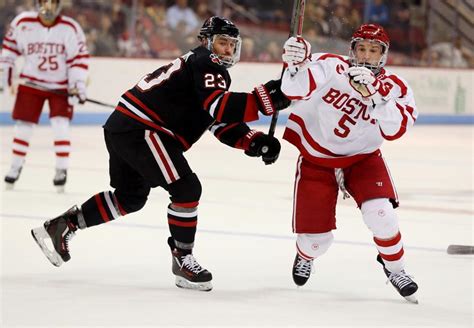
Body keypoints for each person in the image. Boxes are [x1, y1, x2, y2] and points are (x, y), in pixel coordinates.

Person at [31, 16, 290, 292]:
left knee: (130, 198)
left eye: (230, 44)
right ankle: (183, 259)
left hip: (124, 127)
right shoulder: (206, 62)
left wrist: (255, 140)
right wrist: (265, 99)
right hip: (143, 130)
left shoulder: (202, 67)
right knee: (186, 188)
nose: (226, 49)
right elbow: (219, 108)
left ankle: (62, 225)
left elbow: (219, 121)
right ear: (206, 42)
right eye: (221, 42)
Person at [280, 23, 419, 303]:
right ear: (352, 49)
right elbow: (292, 89)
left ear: (383, 55)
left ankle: (396, 268)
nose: (366, 56)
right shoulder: (330, 66)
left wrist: (376, 94)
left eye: (373, 50)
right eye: (362, 48)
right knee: (317, 242)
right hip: (317, 159)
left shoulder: (395, 87)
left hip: (363, 159)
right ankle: (306, 254)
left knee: (382, 216)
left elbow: (395, 130)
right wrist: (296, 63)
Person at [1, 0, 89, 192]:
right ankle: (15, 166)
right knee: (23, 127)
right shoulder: (22, 22)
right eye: (43, 2)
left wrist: (77, 85)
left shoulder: (70, 28)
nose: (47, 7)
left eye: (52, 2)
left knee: (60, 126)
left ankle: (61, 169)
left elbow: (79, 59)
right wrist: (4, 74)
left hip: (60, 85)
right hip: (32, 82)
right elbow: (9, 50)